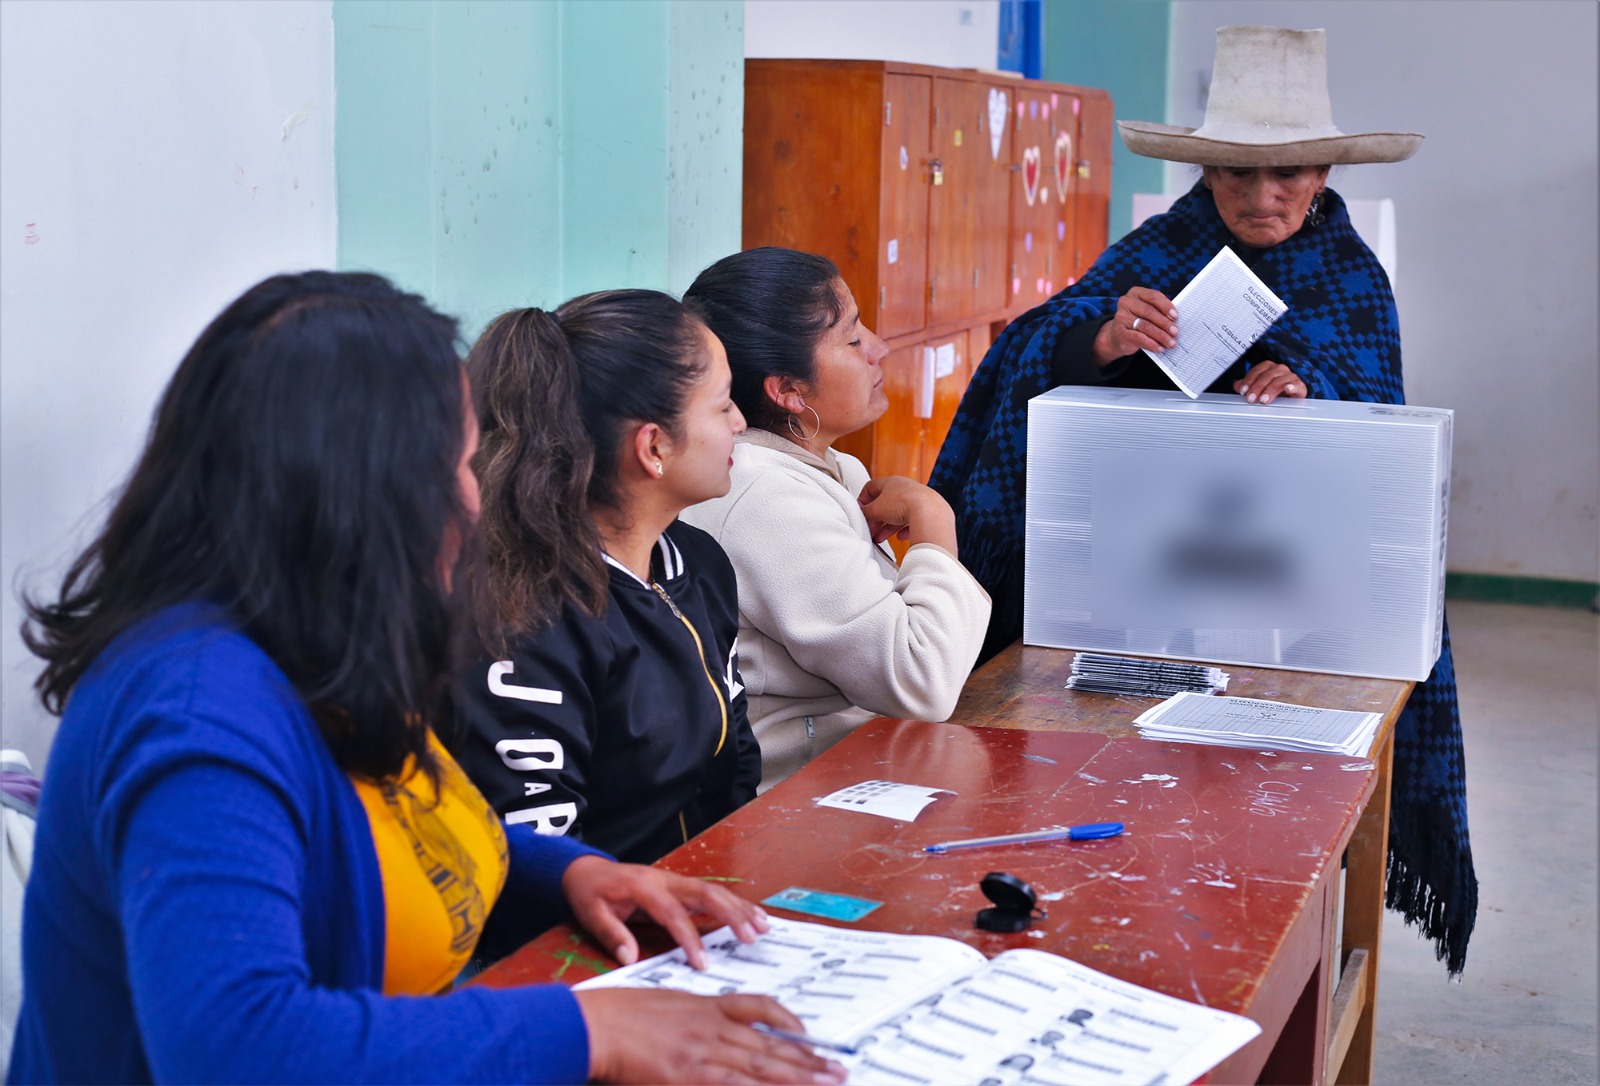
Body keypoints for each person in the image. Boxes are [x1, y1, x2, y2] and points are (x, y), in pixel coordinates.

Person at [9, 272, 840, 1085]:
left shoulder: (318, 640)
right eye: (458, 468)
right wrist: (585, 1031)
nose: (476, 503)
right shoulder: (195, 716)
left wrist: (574, 875)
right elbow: (240, 1048)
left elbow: (416, 829)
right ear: (359, 495)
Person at [929, 25, 1475, 976]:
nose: (1263, 199)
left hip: (1298, 595)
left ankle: (1272, 961)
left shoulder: (1351, 275)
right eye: (1234, 178)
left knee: (1278, 809)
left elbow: (1378, 424)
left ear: (1325, 172)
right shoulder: (1163, 246)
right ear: (1204, 177)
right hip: (1148, 582)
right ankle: (1133, 937)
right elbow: (1036, 345)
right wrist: (1105, 341)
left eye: (1290, 175)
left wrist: (1312, 391)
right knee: (1141, 788)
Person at [452, 291, 760, 959]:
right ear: (652, 447)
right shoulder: (523, 615)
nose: (739, 421)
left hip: (702, 927)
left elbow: (736, 768)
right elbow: (531, 868)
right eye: (723, 402)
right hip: (585, 958)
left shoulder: (698, 563)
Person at [681, 248, 991, 789]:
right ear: (788, 391)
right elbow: (923, 681)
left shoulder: (829, 467)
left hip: (863, 760)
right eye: (852, 339)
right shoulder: (764, 494)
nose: (879, 347)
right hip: (796, 797)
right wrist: (933, 521)